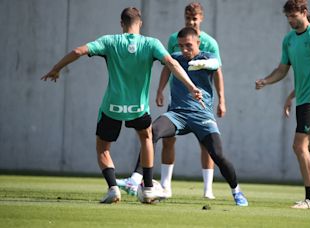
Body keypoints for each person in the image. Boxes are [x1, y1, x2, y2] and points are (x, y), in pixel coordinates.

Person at [41, 7, 203, 204]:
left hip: (112, 107)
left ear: (121, 24)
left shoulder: (109, 41)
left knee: (102, 148)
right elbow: (172, 64)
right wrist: (192, 87)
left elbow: (78, 51)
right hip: (138, 108)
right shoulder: (151, 43)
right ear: (140, 23)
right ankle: (149, 188)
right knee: (146, 139)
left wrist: (56, 68)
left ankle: (112, 188)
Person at [117, 2, 225, 199]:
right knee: (167, 139)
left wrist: (222, 100)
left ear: (201, 19)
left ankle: (208, 189)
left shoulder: (209, 42)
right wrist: (159, 90)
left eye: (195, 18)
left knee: (206, 145)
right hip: (178, 102)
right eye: (188, 18)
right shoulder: (174, 39)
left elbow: (217, 70)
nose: (191, 21)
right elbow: (169, 64)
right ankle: (166, 185)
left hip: (201, 104)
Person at [153, 27, 248, 206]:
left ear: (198, 43)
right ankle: (141, 180)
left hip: (202, 115)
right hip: (177, 114)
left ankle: (237, 191)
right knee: (152, 132)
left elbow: (215, 65)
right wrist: (160, 90)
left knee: (218, 155)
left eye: (188, 45)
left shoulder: (207, 56)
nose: (184, 50)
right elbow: (167, 67)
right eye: (181, 46)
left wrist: (202, 66)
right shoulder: (176, 58)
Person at [255, 0, 310, 209]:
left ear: (304, 12)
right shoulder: (288, 40)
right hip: (303, 100)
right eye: (288, 17)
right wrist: (266, 81)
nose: (290, 20)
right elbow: (282, 69)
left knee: (299, 146)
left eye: (293, 16)